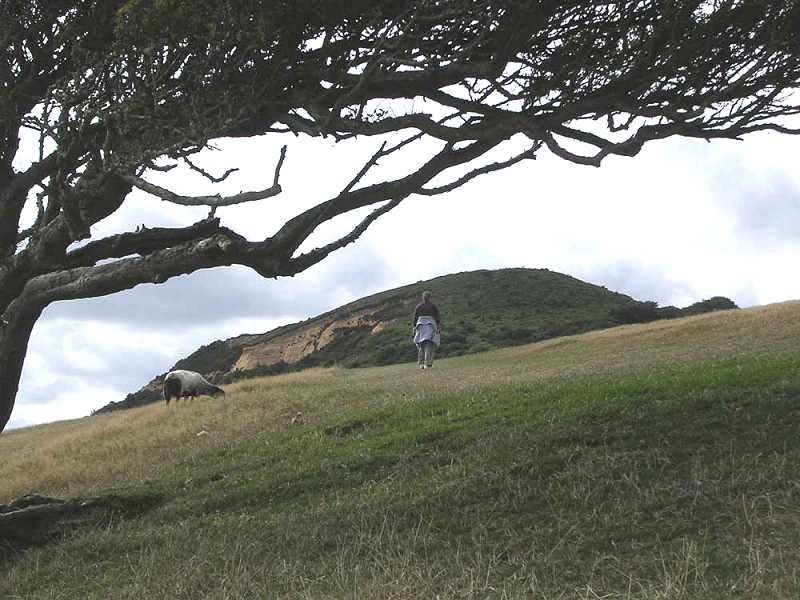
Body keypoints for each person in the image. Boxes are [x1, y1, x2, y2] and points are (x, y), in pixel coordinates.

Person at [412, 290, 441, 369]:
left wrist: (414, 328)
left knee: (421, 345)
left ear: (423, 297)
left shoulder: (419, 306)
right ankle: (427, 364)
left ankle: (421, 363)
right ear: (429, 297)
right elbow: (437, 317)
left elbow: (415, 318)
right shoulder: (433, 306)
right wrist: (438, 326)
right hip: (430, 326)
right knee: (429, 345)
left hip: (420, 326)